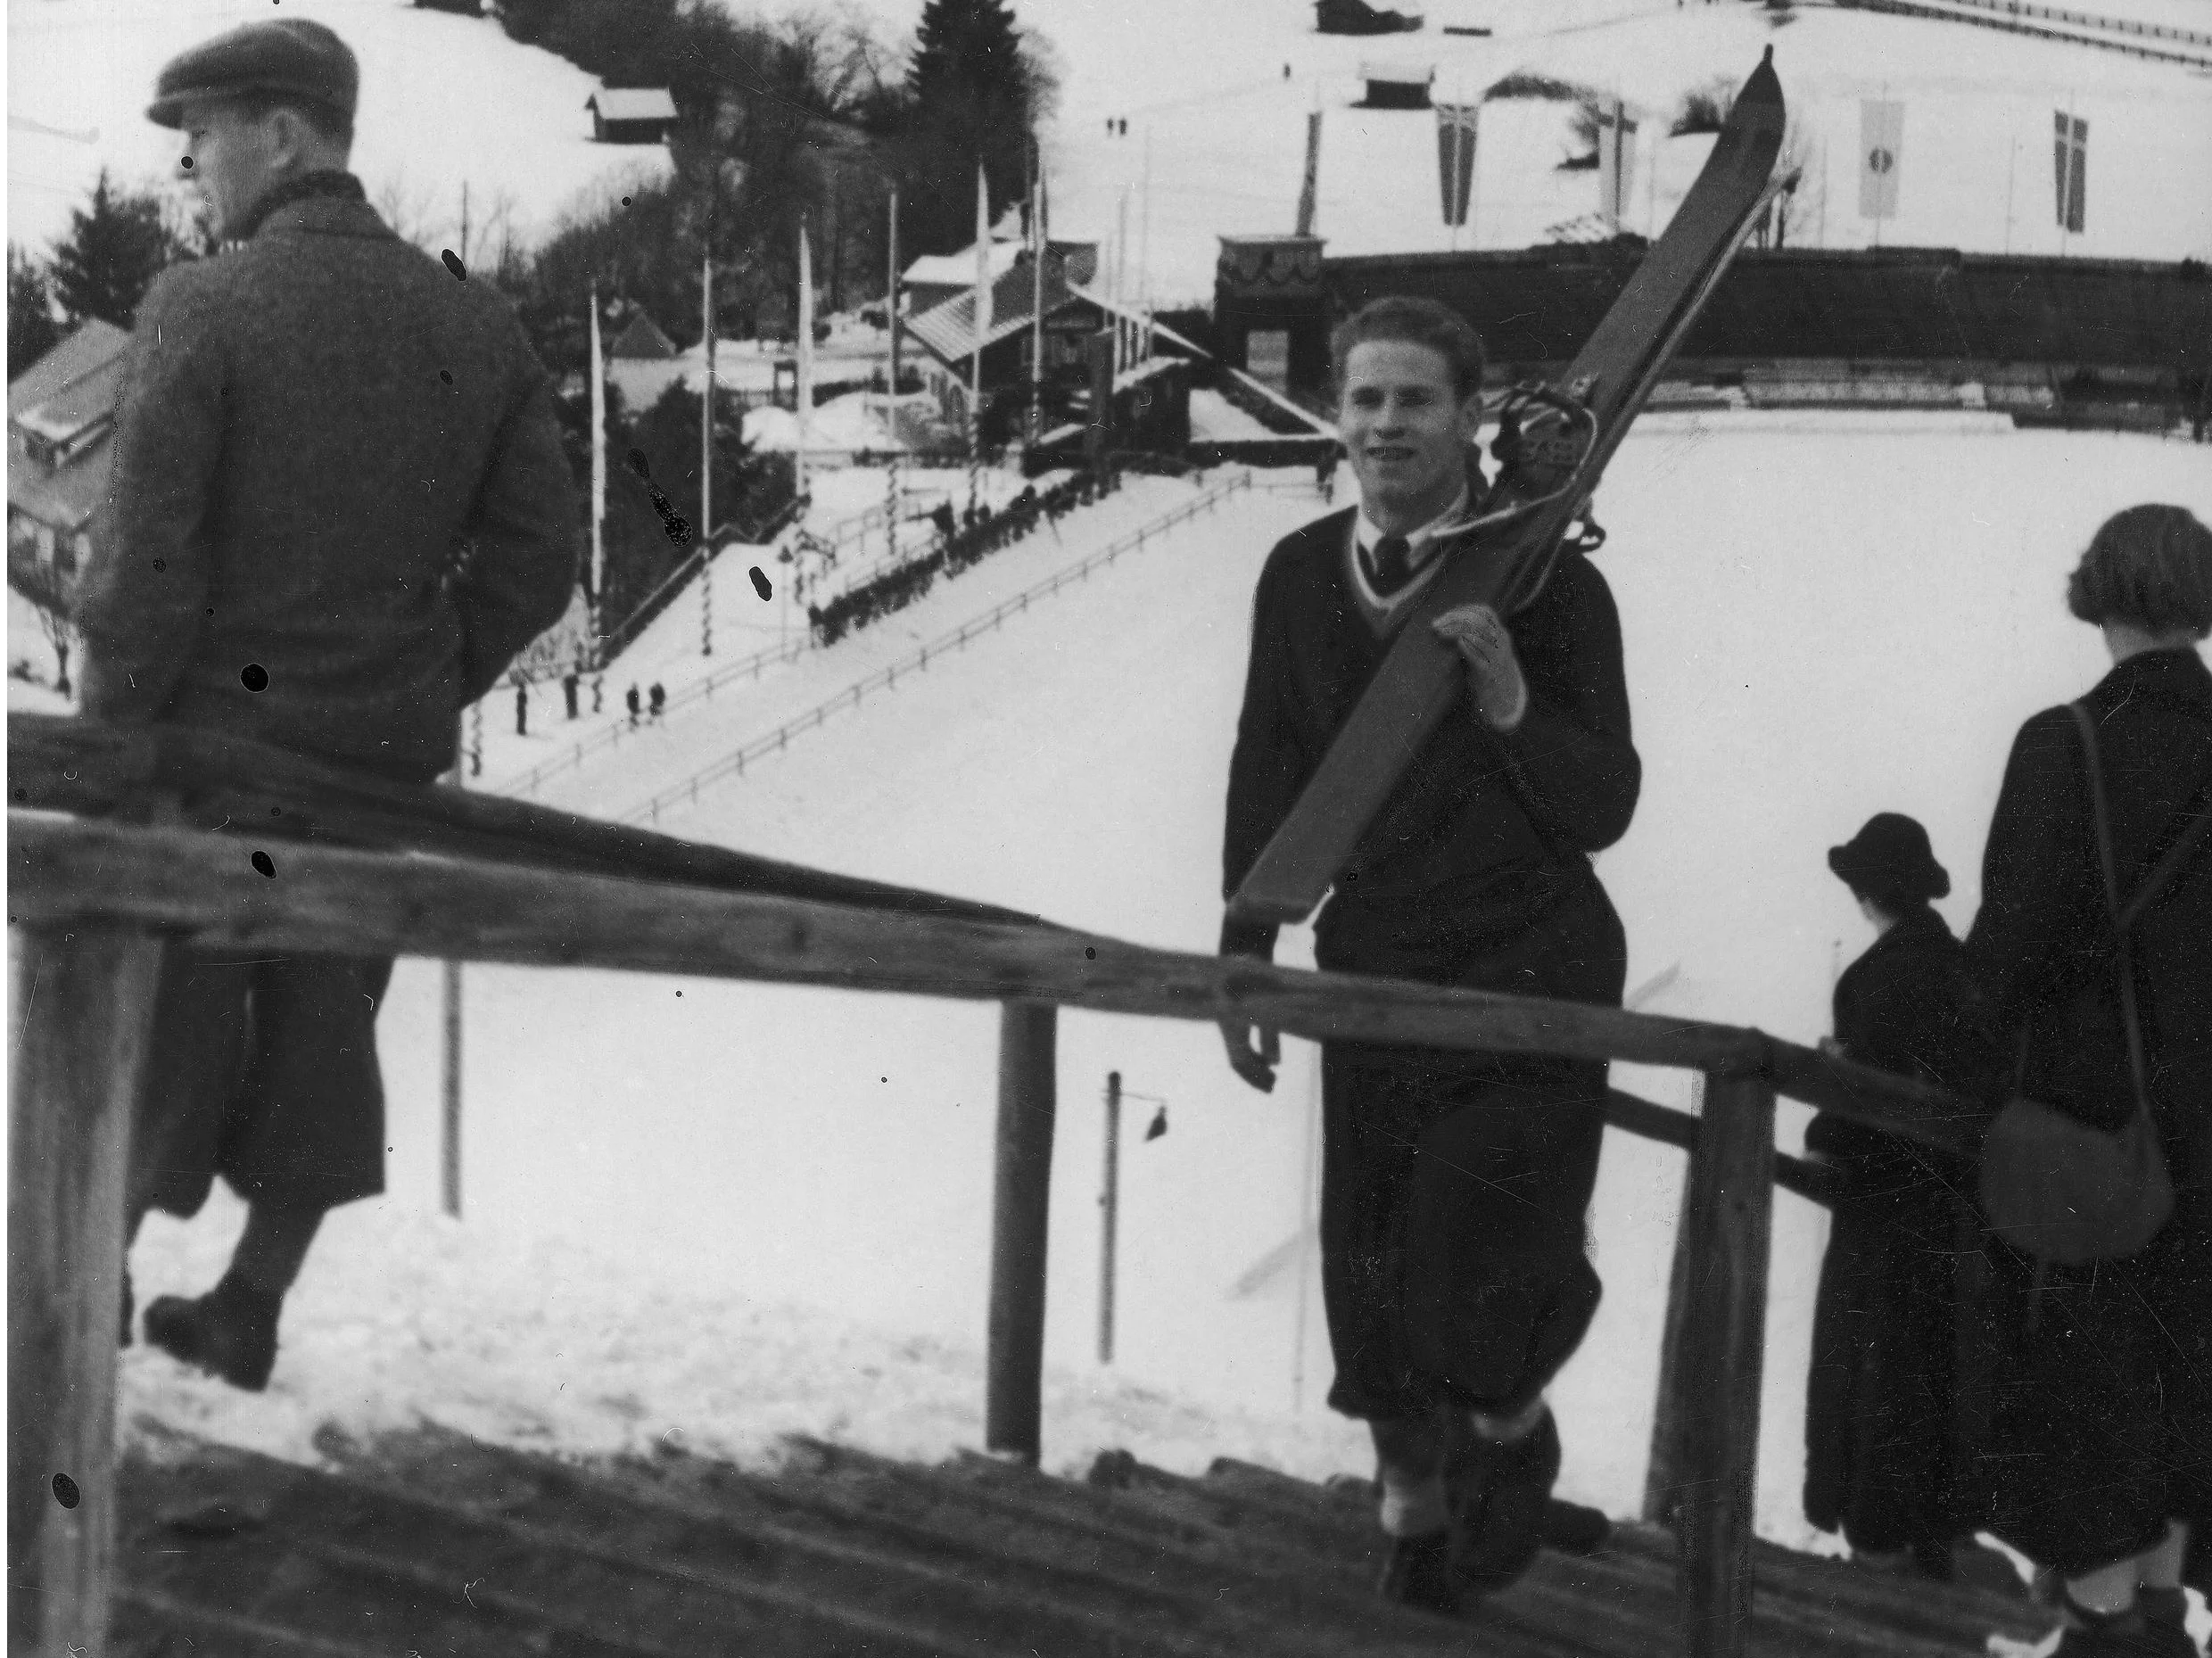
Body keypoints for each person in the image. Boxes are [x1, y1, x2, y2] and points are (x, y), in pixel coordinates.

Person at [74, 18, 577, 1389]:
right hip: (374, 770)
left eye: (206, 134)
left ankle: (88, 1284)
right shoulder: (478, 324)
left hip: (207, 756)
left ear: (284, 135)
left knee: (150, 1024)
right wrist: (422, 678)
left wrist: (110, 737)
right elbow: (542, 555)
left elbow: (142, 567)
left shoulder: (203, 307)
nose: (190, 165)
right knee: (322, 1034)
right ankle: (248, 1304)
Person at [1217, 295, 1639, 1614]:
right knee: (1373, 1256)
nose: (1385, 426)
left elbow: (1605, 802)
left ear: (1473, 416)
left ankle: (1513, 1430)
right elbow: (1266, 766)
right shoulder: (1298, 573)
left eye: (1414, 401)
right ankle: (1412, 1508)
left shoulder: (1552, 583)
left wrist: (1514, 702)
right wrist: (1247, 941)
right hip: (1376, 950)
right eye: (1364, 400)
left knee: (1479, 1242)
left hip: (1531, 959)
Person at [1964, 504, 2212, 1658]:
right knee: (2194, 1353)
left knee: (2097, 1360)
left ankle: (2104, 1623)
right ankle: (2163, 1604)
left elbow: (2012, 946)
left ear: (2098, 590)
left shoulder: (2065, 738)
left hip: (2105, 1108)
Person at [1801, 814, 1993, 1580]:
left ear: (1866, 891)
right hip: (1955, 1215)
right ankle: (1934, 1541)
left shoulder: (1871, 979)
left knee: (1869, 1375)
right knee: (1939, 1375)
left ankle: (1876, 1548)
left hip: (1880, 1214)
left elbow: (1855, 1114)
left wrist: (1827, 1087)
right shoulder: (1965, 967)